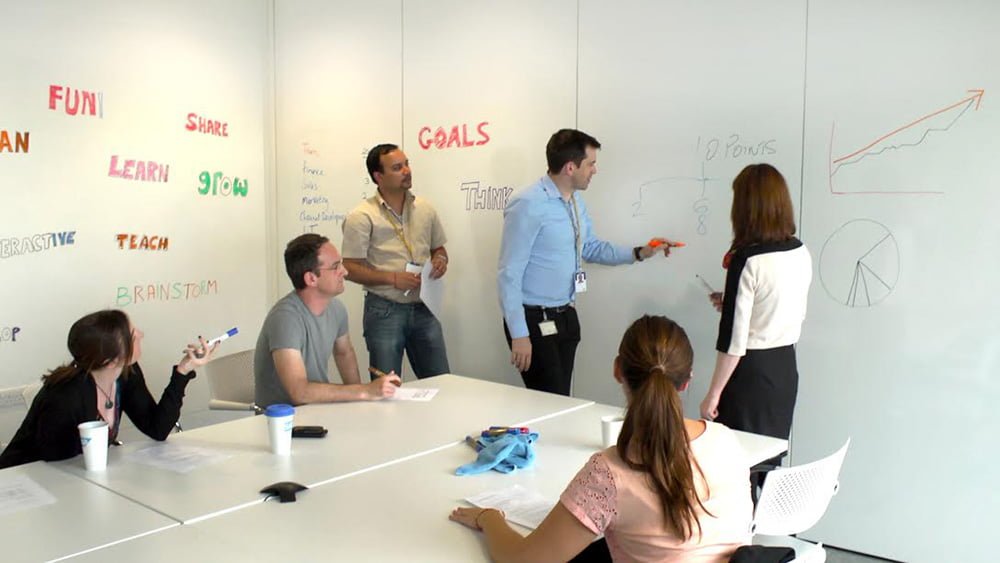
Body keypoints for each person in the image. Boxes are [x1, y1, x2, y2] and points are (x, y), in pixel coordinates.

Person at [450, 315, 752, 562]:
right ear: (686, 382)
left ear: (617, 370)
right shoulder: (725, 441)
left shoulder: (609, 473)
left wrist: (488, 518)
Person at [498, 128, 678, 396]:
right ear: (571, 167)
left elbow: (590, 247)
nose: (595, 170)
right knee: (549, 401)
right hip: (534, 319)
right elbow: (508, 273)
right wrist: (519, 333)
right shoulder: (528, 203)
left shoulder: (574, 201)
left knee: (561, 399)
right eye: (591, 164)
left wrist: (640, 252)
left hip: (565, 315)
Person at [0, 309, 216, 469]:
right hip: (22, 481)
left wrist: (183, 371)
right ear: (111, 360)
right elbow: (56, 465)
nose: (140, 334)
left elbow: (157, 428)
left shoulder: (125, 373)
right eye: (132, 335)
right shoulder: (65, 396)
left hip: (72, 480)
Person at [699, 163, 812, 457]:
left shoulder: (746, 259)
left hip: (749, 375)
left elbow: (734, 342)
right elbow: (786, 308)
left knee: (736, 467)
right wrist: (733, 303)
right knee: (767, 460)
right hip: (784, 368)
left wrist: (713, 394)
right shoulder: (799, 250)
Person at [341, 144, 450, 380]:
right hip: (384, 309)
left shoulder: (425, 208)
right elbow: (348, 268)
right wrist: (392, 278)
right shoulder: (362, 216)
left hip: (424, 305)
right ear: (378, 176)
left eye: (407, 164)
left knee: (441, 381)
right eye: (397, 167)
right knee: (387, 388)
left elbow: (438, 248)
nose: (407, 171)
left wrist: (440, 259)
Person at [254, 233, 400, 408]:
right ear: (311, 278)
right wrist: (365, 391)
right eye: (336, 266)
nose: (344, 272)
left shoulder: (336, 309)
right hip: (284, 422)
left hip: (316, 411)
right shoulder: (285, 318)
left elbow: (344, 353)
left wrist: (363, 399)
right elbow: (299, 393)